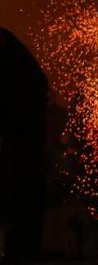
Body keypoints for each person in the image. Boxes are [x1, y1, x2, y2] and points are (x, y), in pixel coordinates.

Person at [0, 28, 48, 260]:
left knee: (22, 180)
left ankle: (22, 249)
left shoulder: (9, 54)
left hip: (23, 114)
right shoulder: (9, 45)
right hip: (22, 113)